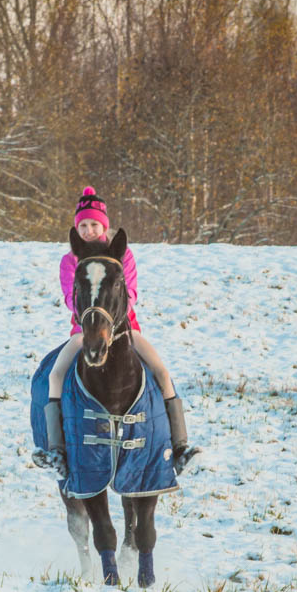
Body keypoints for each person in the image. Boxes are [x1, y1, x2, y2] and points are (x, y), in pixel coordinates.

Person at [38, 186, 195, 475]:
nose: (88, 230)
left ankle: (179, 445)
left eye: (93, 224)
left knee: (160, 371)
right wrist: (88, 316)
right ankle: (57, 449)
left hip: (125, 329)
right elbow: (71, 298)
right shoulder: (70, 261)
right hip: (82, 330)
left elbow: (131, 292)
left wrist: (114, 320)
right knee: (55, 374)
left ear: (104, 226)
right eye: (82, 225)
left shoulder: (123, 255)